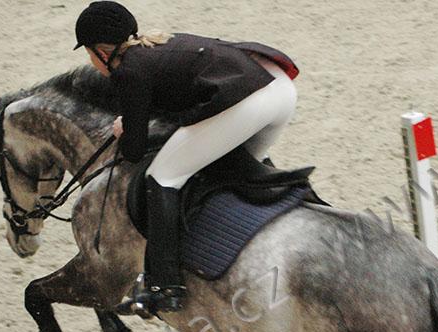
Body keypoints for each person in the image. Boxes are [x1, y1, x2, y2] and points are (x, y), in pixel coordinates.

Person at [73, 1, 299, 315]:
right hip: (280, 89)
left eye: (88, 54)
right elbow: (178, 101)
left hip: (251, 99)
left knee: (163, 176)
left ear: (101, 52)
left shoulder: (128, 71)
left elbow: (134, 151)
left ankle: (165, 287)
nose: (91, 61)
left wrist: (126, 130)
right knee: (235, 163)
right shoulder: (158, 43)